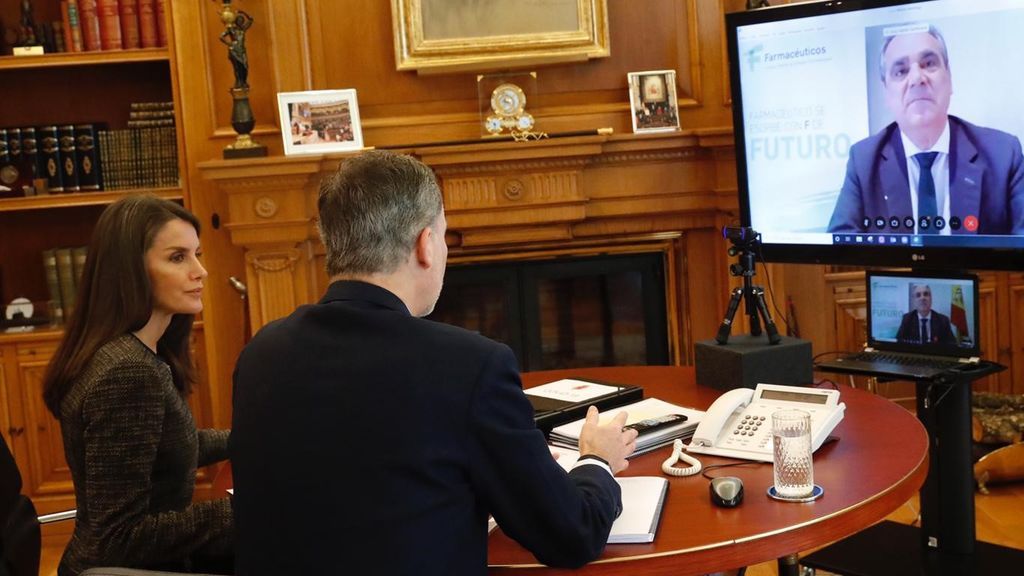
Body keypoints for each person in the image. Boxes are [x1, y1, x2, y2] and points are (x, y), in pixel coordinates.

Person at [230, 150, 637, 575]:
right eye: (444, 235)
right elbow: (571, 536)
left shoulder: (260, 354)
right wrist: (597, 459)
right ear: (426, 244)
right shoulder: (470, 366)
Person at [42, 195, 232, 576]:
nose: (201, 271)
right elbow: (119, 537)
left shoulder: (134, 354)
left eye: (198, 254)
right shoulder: (127, 372)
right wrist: (241, 509)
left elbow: (174, 447)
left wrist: (259, 436)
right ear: (130, 270)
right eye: (178, 257)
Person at [828, 26, 1024, 235]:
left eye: (929, 64)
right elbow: (840, 245)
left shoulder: (1003, 154)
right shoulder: (863, 161)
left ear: (949, 78)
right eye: (901, 71)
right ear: (886, 92)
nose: (916, 78)